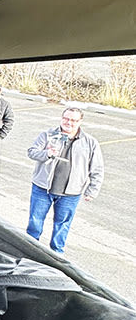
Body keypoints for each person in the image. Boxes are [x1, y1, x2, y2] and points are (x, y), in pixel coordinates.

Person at [26, 107, 103, 254]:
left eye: (74, 120)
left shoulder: (90, 142)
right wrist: (47, 153)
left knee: (62, 225)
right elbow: (32, 152)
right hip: (43, 188)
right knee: (35, 221)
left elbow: (97, 168)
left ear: (80, 122)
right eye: (66, 119)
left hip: (71, 193)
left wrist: (92, 190)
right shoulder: (47, 135)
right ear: (61, 118)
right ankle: (30, 251)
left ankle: (57, 254)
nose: (69, 123)